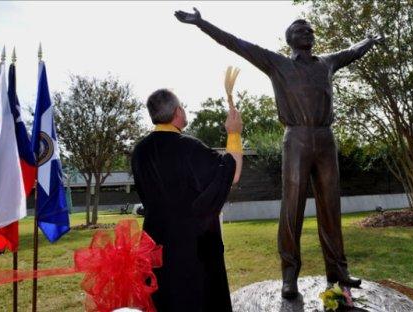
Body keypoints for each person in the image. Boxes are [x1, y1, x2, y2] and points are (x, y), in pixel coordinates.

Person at [175, 8, 384, 299]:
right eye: (301, 29)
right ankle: (289, 275)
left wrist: (368, 42)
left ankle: (338, 271)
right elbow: (236, 42)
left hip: (325, 139)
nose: (308, 32)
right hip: (296, 138)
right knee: (292, 208)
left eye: (310, 29)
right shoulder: (278, 64)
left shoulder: (327, 63)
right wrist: (201, 23)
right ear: (290, 39)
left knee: (331, 208)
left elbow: (352, 51)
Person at [131, 89, 243, 311]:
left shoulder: (139, 151)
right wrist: (234, 133)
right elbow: (232, 173)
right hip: (192, 251)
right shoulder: (188, 147)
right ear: (177, 111)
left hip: (155, 248)